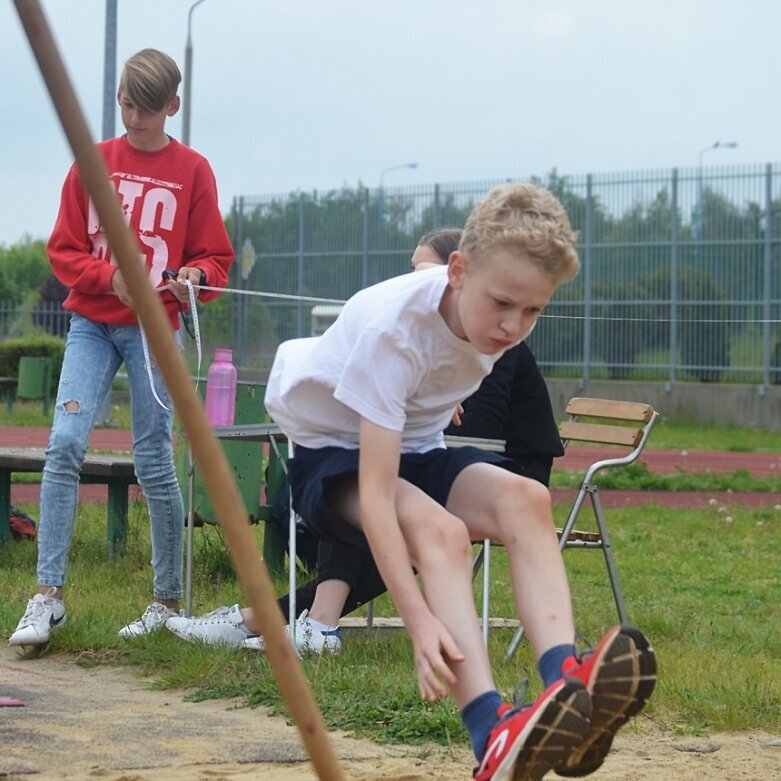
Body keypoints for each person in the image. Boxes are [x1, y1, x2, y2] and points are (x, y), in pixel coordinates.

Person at [239, 185, 655, 779]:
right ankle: (490, 730)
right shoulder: (396, 334)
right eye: (503, 305)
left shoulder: (490, 313)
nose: (513, 326)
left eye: (533, 311)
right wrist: (417, 618)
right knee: (442, 533)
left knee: (527, 498)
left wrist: (433, 402)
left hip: (413, 443)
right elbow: (379, 496)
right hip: (332, 454)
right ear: (457, 271)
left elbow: (438, 382)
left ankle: (567, 684)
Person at [166, 227, 565, 653]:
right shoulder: (411, 327)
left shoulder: (492, 337)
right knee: (364, 487)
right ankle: (291, 622)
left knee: (369, 485)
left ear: (457, 276)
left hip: (508, 468)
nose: (410, 282)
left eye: (422, 271)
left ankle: (297, 622)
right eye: (411, 271)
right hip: (443, 461)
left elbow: (478, 430)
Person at [9, 48, 234, 650]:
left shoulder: (194, 171)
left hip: (156, 329)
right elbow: (63, 250)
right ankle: (47, 596)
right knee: (62, 445)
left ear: (173, 107)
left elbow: (218, 260)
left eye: (149, 109)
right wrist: (107, 279)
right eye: (127, 104)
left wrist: (194, 277)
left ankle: (166, 602)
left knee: (154, 457)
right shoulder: (93, 163)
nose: (135, 118)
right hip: (90, 324)